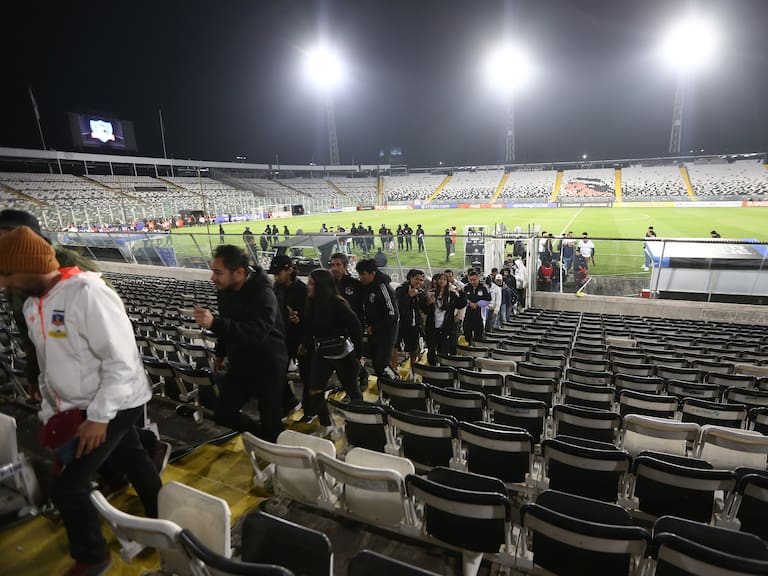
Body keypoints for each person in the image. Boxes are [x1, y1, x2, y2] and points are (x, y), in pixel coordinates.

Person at [0, 226, 162, 576]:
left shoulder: (89, 293)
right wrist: (50, 409)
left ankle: (92, 557)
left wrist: (100, 417)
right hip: (82, 405)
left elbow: (121, 361)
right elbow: (46, 364)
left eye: (8, 274)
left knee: (69, 487)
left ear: (29, 266)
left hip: (116, 402)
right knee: (132, 459)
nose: (4, 283)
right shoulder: (32, 306)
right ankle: (162, 516)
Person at [193, 244, 287, 442]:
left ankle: (274, 451)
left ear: (239, 272)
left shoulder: (263, 294)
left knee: (271, 419)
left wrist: (215, 323)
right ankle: (259, 437)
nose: (213, 278)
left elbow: (257, 332)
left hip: (268, 363)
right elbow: (229, 321)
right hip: (241, 361)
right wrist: (221, 351)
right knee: (223, 414)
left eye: (218, 272)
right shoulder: (225, 289)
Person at [300, 269, 364, 429]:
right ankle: (327, 424)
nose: (308, 286)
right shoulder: (311, 302)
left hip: (343, 354)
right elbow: (309, 327)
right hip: (322, 353)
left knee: (352, 391)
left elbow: (356, 327)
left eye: (311, 283)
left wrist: (359, 355)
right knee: (315, 390)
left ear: (321, 286)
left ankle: (363, 423)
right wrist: (304, 343)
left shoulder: (337, 303)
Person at [267, 254, 305, 417]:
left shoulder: (302, 290)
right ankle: (290, 402)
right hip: (282, 338)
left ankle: (309, 409)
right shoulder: (277, 287)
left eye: (278, 273)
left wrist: (300, 322)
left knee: (307, 377)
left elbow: (310, 316)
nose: (275, 276)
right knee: (276, 373)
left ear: (289, 270)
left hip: (300, 339)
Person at [329, 252, 368, 391]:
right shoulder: (328, 283)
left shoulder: (354, 284)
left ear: (345, 266)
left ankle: (362, 376)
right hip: (337, 328)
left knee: (352, 358)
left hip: (353, 327)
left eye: (338, 265)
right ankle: (353, 381)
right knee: (345, 359)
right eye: (332, 265)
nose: (335, 268)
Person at [356, 258, 399, 379]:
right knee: (377, 365)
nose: (360, 278)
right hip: (373, 334)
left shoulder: (383, 288)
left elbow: (393, 314)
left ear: (373, 273)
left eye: (363, 274)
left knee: (382, 365)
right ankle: (384, 390)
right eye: (359, 274)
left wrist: (375, 327)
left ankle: (395, 381)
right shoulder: (367, 287)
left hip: (386, 335)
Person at [423, 272, 466, 365]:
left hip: (446, 327)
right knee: (431, 349)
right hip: (432, 326)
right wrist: (428, 303)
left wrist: (460, 292)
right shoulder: (431, 293)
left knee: (443, 350)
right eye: (440, 279)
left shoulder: (452, 294)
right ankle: (432, 368)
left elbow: (461, 304)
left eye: (444, 279)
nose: (441, 281)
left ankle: (443, 369)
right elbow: (425, 310)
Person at [395, 269, 426, 373]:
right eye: (417, 279)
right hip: (400, 324)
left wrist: (429, 303)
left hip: (413, 325)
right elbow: (397, 305)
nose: (419, 282)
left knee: (413, 349)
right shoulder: (400, 289)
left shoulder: (420, 292)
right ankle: (394, 369)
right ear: (410, 278)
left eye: (421, 280)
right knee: (395, 347)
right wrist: (409, 296)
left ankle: (413, 371)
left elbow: (424, 309)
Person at [462, 270, 491, 344]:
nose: (472, 282)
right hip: (468, 315)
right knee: (467, 335)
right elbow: (463, 298)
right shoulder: (466, 287)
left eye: (474, 280)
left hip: (479, 315)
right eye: (471, 280)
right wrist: (469, 303)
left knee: (478, 337)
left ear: (478, 278)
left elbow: (488, 299)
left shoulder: (484, 287)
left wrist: (478, 304)